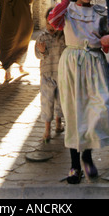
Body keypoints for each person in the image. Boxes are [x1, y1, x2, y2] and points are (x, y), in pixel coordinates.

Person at [48, 0, 109, 184]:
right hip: (72, 63)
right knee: (74, 112)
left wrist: (107, 39)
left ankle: (87, 155)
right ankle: (75, 165)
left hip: (95, 63)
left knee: (97, 109)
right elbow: (53, 22)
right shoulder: (67, 10)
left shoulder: (100, 12)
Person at [35, 8, 66, 142]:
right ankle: (47, 130)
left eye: (54, 23)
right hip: (47, 75)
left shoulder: (64, 36)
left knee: (61, 101)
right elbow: (37, 55)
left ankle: (58, 124)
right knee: (47, 102)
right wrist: (41, 51)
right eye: (48, 23)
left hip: (62, 75)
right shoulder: (42, 37)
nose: (50, 26)